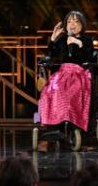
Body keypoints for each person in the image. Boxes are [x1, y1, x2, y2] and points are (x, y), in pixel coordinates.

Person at [37, 10, 94, 150]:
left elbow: (88, 58)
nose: (72, 24)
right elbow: (52, 55)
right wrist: (53, 39)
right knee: (48, 92)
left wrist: (78, 43)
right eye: (69, 21)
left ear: (82, 24)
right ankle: (52, 125)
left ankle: (70, 123)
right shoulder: (62, 39)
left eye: (75, 21)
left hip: (79, 73)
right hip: (62, 73)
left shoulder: (87, 40)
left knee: (67, 93)